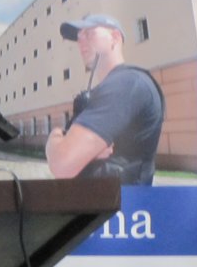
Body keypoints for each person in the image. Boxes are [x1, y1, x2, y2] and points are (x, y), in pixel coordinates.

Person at [45, 13, 164, 186]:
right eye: (78, 37)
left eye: (89, 33)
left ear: (114, 37)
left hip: (119, 201)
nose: (81, 42)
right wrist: (81, 150)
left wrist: (53, 136)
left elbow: (62, 164)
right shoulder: (102, 93)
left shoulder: (127, 84)